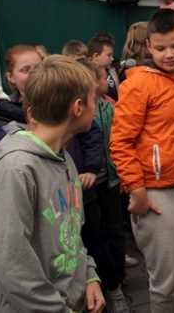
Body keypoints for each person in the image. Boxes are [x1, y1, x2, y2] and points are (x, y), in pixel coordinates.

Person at [0, 55, 105, 312]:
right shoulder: (15, 171)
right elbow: (12, 266)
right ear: (77, 107)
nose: (95, 106)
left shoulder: (63, 156)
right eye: (93, 100)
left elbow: (72, 231)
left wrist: (88, 275)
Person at [109, 8, 174, 312]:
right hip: (155, 195)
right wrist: (136, 189)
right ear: (149, 47)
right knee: (165, 283)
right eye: (161, 48)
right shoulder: (138, 85)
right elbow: (120, 141)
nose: (169, 55)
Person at [74, 59, 130, 312]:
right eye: (100, 78)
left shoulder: (108, 108)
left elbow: (99, 139)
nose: (105, 82)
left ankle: (116, 283)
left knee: (110, 232)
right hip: (85, 189)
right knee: (92, 239)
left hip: (106, 181)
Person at [88, 32, 121, 102]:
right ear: (96, 56)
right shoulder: (86, 76)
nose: (112, 58)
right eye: (109, 55)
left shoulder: (113, 72)